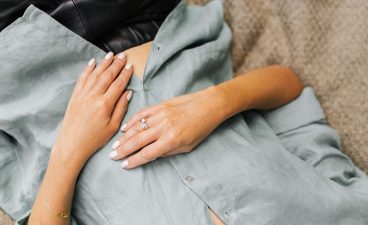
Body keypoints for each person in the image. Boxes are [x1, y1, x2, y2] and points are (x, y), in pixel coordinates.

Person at [27, 42, 303, 225]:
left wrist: (69, 149)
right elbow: (289, 85)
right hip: (154, 32)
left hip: (33, 82)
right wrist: (213, 103)